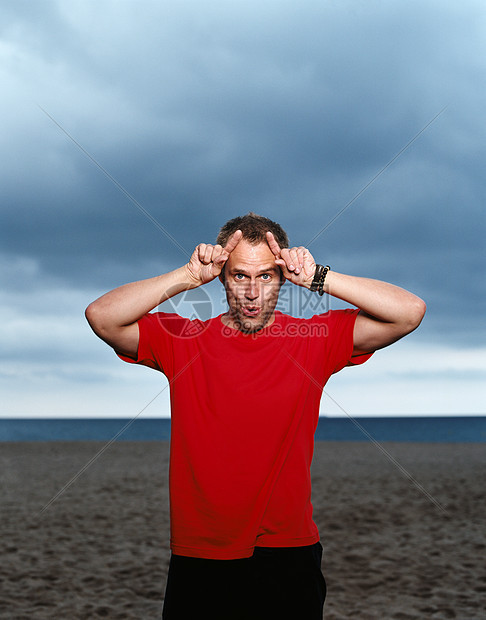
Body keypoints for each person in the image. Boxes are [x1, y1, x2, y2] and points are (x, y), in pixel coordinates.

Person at [85, 213, 426, 619]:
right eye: (239, 276)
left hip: (288, 552)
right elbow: (102, 316)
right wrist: (188, 276)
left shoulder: (313, 341)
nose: (251, 292)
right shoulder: (184, 341)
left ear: (283, 278)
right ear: (222, 279)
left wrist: (319, 277)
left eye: (265, 277)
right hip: (202, 551)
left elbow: (409, 312)